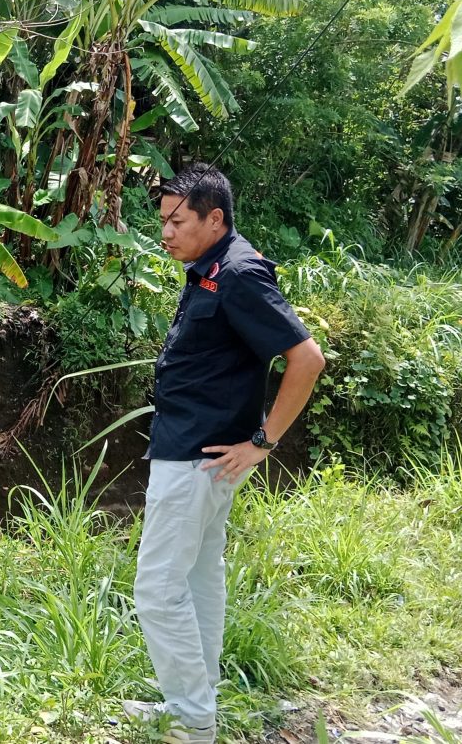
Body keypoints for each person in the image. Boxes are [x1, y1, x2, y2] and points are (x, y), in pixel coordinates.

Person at [123, 164, 327, 744]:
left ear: (215, 218)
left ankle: (191, 720)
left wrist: (264, 443)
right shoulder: (208, 267)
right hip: (201, 454)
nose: (165, 232)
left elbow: (306, 359)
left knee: (158, 589)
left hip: (196, 456)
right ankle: (195, 703)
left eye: (177, 221)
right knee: (198, 578)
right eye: (162, 220)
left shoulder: (237, 273)